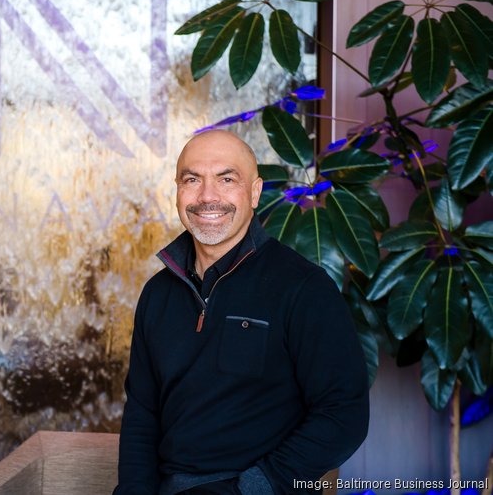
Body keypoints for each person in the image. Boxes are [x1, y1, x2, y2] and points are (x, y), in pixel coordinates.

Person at [113, 130, 369, 495]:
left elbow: (345, 415)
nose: (207, 196)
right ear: (177, 190)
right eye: (192, 180)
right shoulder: (157, 294)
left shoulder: (303, 288)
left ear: (254, 192)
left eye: (227, 179)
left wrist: (252, 488)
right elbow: (142, 415)